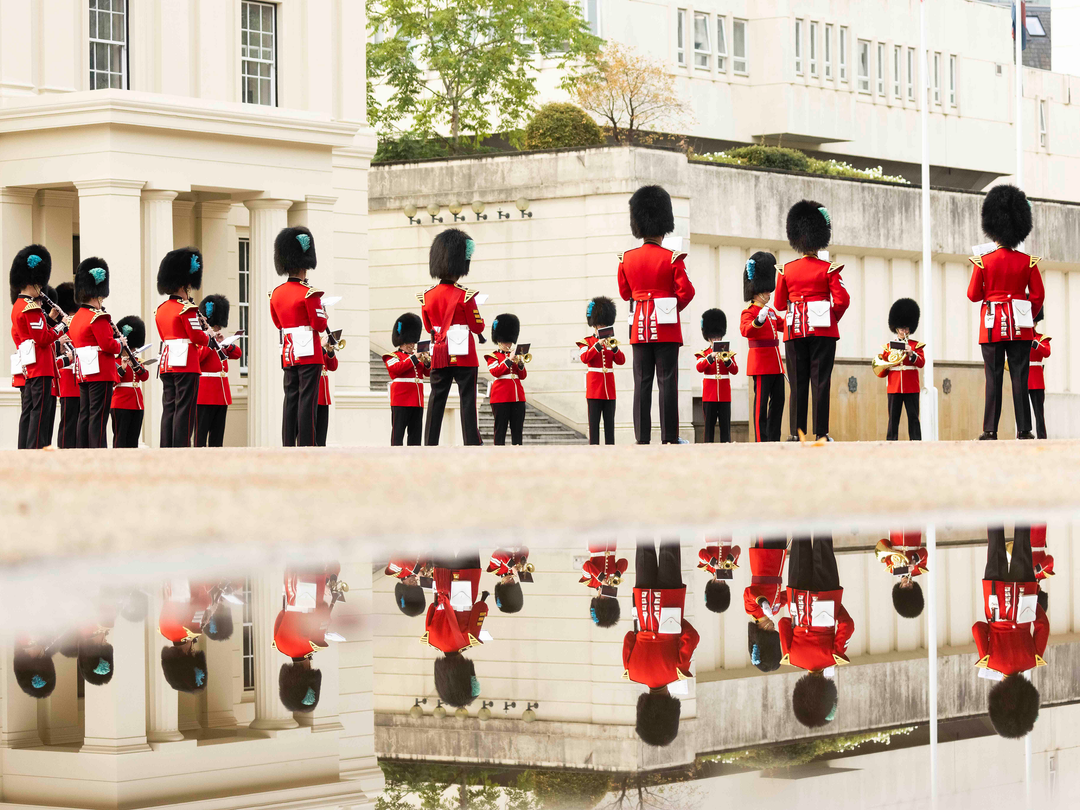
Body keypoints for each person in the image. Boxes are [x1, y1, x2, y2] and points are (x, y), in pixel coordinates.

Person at [617, 186, 695, 444]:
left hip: (639, 327)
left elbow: (625, 293)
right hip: (666, 328)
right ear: (664, 227)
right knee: (667, 382)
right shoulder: (672, 258)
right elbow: (687, 292)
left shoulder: (626, 259)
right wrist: (669, 308)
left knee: (642, 383)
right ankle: (669, 437)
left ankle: (642, 438)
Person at [967, 184, 1045, 440]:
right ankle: (1024, 430)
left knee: (993, 378)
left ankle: (990, 430)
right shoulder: (1028, 262)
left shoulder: (983, 261)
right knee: (1020, 378)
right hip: (1021, 327)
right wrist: (1026, 315)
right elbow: (1038, 296)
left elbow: (973, 295)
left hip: (991, 326)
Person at [773, 201, 850, 441]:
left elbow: (779, 304)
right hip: (823, 332)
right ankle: (821, 433)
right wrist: (829, 318)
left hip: (794, 331)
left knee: (797, 384)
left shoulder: (786, 269)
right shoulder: (828, 269)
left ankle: (796, 433)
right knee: (820, 383)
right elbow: (843, 300)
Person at [974, 526, 1048, 738]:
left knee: (1022, 539)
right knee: (995, 543)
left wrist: (1033, 604)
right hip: (995, 596)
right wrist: (994, 627)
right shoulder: (990, 661)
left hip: (1024, 592)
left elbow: (1042, 625)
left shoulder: (1033, 659)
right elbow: (978, 628)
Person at [624, 540, 699, 747]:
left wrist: (674, 624)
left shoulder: (677, 672)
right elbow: (629, 637)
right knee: (644, 548)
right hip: (643, 602)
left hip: (670, 599)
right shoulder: (631, 672)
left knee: (669, 545)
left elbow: (692, 636)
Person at [778, 534, 854, 728]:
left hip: (826, 594)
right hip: (798, 595)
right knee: (800, 541)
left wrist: (835, 608)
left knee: (823, 542)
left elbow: (847, 624)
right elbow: (784, 623)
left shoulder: (833, 657)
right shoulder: (791, 657)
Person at [420, 229, 485, 446]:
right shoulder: (465, 296)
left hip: (440, 352)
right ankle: (471, 442)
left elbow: (428, 326)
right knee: (468, 400)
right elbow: (477, 326)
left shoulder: (427, 295)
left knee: (436, 398)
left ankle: (430, 443)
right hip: (464, 354)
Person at [270, 226, 328, 447]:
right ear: (305, 265)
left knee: (291, 397)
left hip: (288, 350)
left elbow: (278, 323)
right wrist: (324, 314)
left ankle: (288, 444)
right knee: (307, 400)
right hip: (310, 351)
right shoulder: (309, 293)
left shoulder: (276, 293)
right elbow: (319, 325)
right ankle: (306, 444)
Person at [274, 563, 347, 711]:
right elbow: (281, 614)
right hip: (291, 583)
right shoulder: (279, 645)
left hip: (313, 582)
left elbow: (323, 611)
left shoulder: (313, 644)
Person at [155, 247, 210, 448]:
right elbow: (196, 337)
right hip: (186, 362)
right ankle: (181, 447)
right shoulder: (187, 309)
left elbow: (164, 336)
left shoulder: (160, 309)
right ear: (185, 285)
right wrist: (208, 335)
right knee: (184, 408)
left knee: (169, 407)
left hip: (167, 362)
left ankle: (166, 447)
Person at [70, 257, 126, 448]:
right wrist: (120, 344)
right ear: (98, 294)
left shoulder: (76, 318)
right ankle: (97, 451)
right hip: (100, 371)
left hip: (83, 371)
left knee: (85, 413)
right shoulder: (98, 317)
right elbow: (108, 345)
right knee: (99, 415)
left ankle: (83, 449)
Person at [9, 245, 61, 449]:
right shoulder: (31, 307)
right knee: (40, 412)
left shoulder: (19, 306)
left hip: (31, 367)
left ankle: (25, 449)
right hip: (41, 366)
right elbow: (43, 339)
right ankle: (36, 450)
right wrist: (63, 327)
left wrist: (49, 322)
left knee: (29, 411)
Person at [425, 550, 488, 708]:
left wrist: (484, 604)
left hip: (467, 576)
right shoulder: (431, 640)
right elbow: (431, 609)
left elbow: (480, 608)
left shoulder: (468, 640)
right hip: (442, 578)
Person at [740, 252, 786, 442]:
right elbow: (745, 330)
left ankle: (773, 438)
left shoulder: (771, 311)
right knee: (761, 403)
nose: (769, 293)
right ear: (757, 291)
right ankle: (761, 439)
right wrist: (758, 321)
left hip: (775, 364)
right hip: (760, 363)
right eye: (766, 291)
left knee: (778, 402)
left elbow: (783, 325)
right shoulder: (749, 312)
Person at [194, 294, 242, 448]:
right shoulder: (200, 339)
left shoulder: (217, 339)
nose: (218, 328)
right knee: (200, 437)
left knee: (217, 438)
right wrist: (210, 341)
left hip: (221, 394)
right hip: (205, 394)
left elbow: (237, 354)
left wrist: (225, 344)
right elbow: (198, 358)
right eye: (216, 326)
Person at [577, 296, 625, 445]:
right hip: (594, 390)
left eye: (605, 324)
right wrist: (598, 345)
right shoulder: (586, 342)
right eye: (601, 324)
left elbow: (621, 361)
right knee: (594, 426)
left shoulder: (611, 342)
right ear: (595, 325)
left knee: (610, 426)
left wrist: (614, 348)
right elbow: (585, 357)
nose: (603, 327)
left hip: (609, 390)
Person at [879, 298, 925, 441]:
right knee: (893, 418)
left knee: (913, 417)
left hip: (911, 386)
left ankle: (916, 441)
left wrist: (911, 353)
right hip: (894, 386)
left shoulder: (916, 346)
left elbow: (921, 363)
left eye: (906, 329)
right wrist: (887, 360)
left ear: (910, 329)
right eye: (901, 329)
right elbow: (883, 369)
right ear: (896, 329)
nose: (903, 331)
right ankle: (891, 441)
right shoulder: (888, 347)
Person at [384, 312, 430, 446]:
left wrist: (428, 362)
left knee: (415, 436)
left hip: (417, 400)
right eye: (410, 343)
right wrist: (415, 357)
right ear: (403, 342)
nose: (413, 345)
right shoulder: (392, 356)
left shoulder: (417, 358)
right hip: (401, 400)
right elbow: (396, 369)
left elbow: (427, 373)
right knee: (398, 435)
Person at [743, 538, 788, 672]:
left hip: (764, 557)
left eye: (770, 631)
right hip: (777, 558)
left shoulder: (752, 611)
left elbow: (748, 592)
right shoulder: (773, 611)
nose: (774, 628)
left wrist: (762, 602)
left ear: (762, 631)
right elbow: (787, 596)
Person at [695, 309, 737, 443]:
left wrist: (727, 360)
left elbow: (735, 370)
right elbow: (699, 367)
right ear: (709, 338)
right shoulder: (703, 353)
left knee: (725, 426)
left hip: (724, 394)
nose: (716, 340)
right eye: (714, 338)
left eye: (718, 337)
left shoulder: (728, 353)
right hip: (710, 394)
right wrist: (710, 357)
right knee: (709, 426)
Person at [485, 314, 528, 446]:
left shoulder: (515, 356)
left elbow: (522, 376)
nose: (508, 344)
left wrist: (520, 364)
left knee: (517, 430)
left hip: (518, 397)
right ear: (499, 341)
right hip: (501, 398)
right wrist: (509, 359)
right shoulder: (493, 356)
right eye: (505, 342)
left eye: (510, 342)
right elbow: (496, 372)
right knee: (500, 430)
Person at [111, 315, 149, 448]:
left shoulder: (136, 361)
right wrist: (122, 368)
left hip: (137, 403)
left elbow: (145, 377)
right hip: (120, 403)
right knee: (120, 439)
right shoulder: (114, 361)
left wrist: (136, 366)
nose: (133, 350)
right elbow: (113, 381)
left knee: (133, 440)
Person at [875, 530, 928, 619]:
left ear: (900, 587)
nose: (907, 584)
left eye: (904, 587)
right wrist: (914, 561)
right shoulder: (919, 569)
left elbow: (885, 546)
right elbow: (924, 552)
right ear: (914, 587)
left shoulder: (892, 569)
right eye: (909, 587)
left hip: (896, 531)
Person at [54, 282, 80, 448]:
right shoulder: (60, 326)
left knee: (79, 421)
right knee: (68, 421)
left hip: (80, 376)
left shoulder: (76, 323)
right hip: (67, 377)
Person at [580, 540, 627, 628]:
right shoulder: (613, 580)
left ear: (598, 599)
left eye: (604, 598)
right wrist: (617, 575)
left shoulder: (590, 582)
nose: (606, 595)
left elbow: (587, 565)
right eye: (609, 598)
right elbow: (624, 562)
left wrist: (601, 579)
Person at [697, 539, 740, 613]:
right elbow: (737, 549)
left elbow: (702, 553)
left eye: (717, 582)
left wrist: (714, 565)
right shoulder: (730, 568)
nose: (720, 579)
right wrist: (729, 561)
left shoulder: (707, 567)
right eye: (722, 583)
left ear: (712, 582)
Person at [1028, 309, 1051, 439]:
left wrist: (1036, 344)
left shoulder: (1041, 338)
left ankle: (1042, 437)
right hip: (1022, 377)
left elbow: (1047, 352)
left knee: (1039, 412)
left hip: (1036, 380)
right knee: (1022, 412)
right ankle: (1023, 434)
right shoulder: (1020, 339)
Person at [487, 546, 530, 614]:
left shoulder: (496, 570)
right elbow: (525, 549)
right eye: (513, 583)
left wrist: (512, 566)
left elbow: (498, 553)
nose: (511, 580)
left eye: (508, 583)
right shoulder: (517, 569)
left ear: (501, 584)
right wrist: (523, 560)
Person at [316, 337, 338, 447]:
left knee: (322, 431)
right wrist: (320, 346)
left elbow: (333, 367)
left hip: (324, 396)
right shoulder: (316, 348)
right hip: (314, 394)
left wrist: (330, 352)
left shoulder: (322, 351)